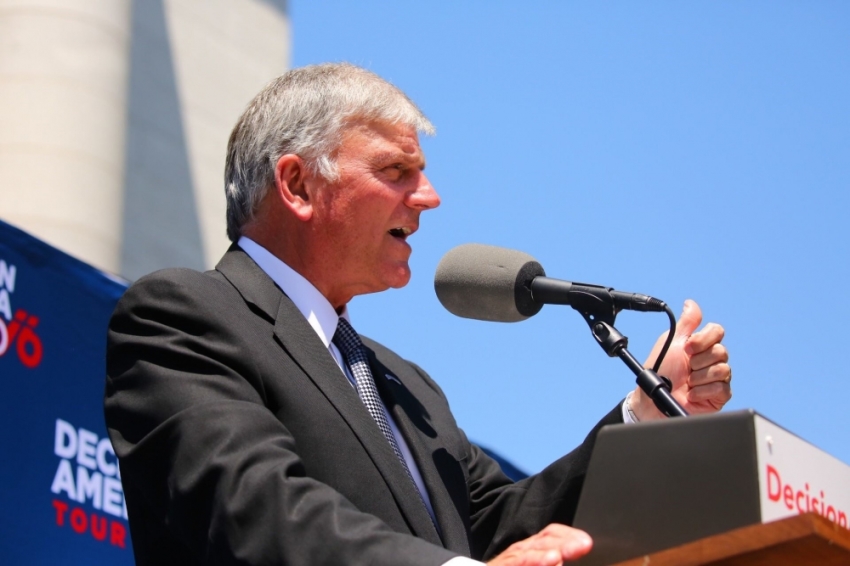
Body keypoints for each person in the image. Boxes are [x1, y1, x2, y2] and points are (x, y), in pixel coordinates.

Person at [105, 63, 732, 566]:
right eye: (396, 171)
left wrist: (646, 411)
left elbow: (499, 533)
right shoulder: (181, 316)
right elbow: (251, 508)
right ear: (297, 186)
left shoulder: (409, 386)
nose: (429, 198)